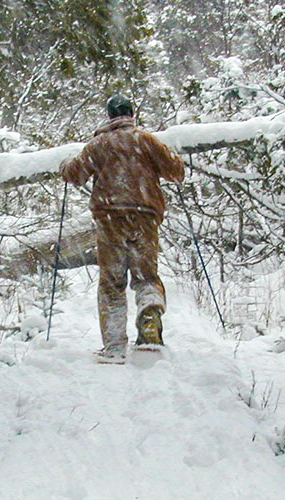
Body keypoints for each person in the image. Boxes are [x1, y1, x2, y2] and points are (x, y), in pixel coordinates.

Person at [60, 94, 185, 363]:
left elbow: (75, 175)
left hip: (110, 218)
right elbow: (176, 170)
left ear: (109, 116)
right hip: (146, 216)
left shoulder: (98, 145)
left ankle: (115, 347)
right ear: (132, 113)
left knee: (112, 283)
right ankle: (150, 320)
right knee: (146, 276)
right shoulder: (146, 140)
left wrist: (64, 166)